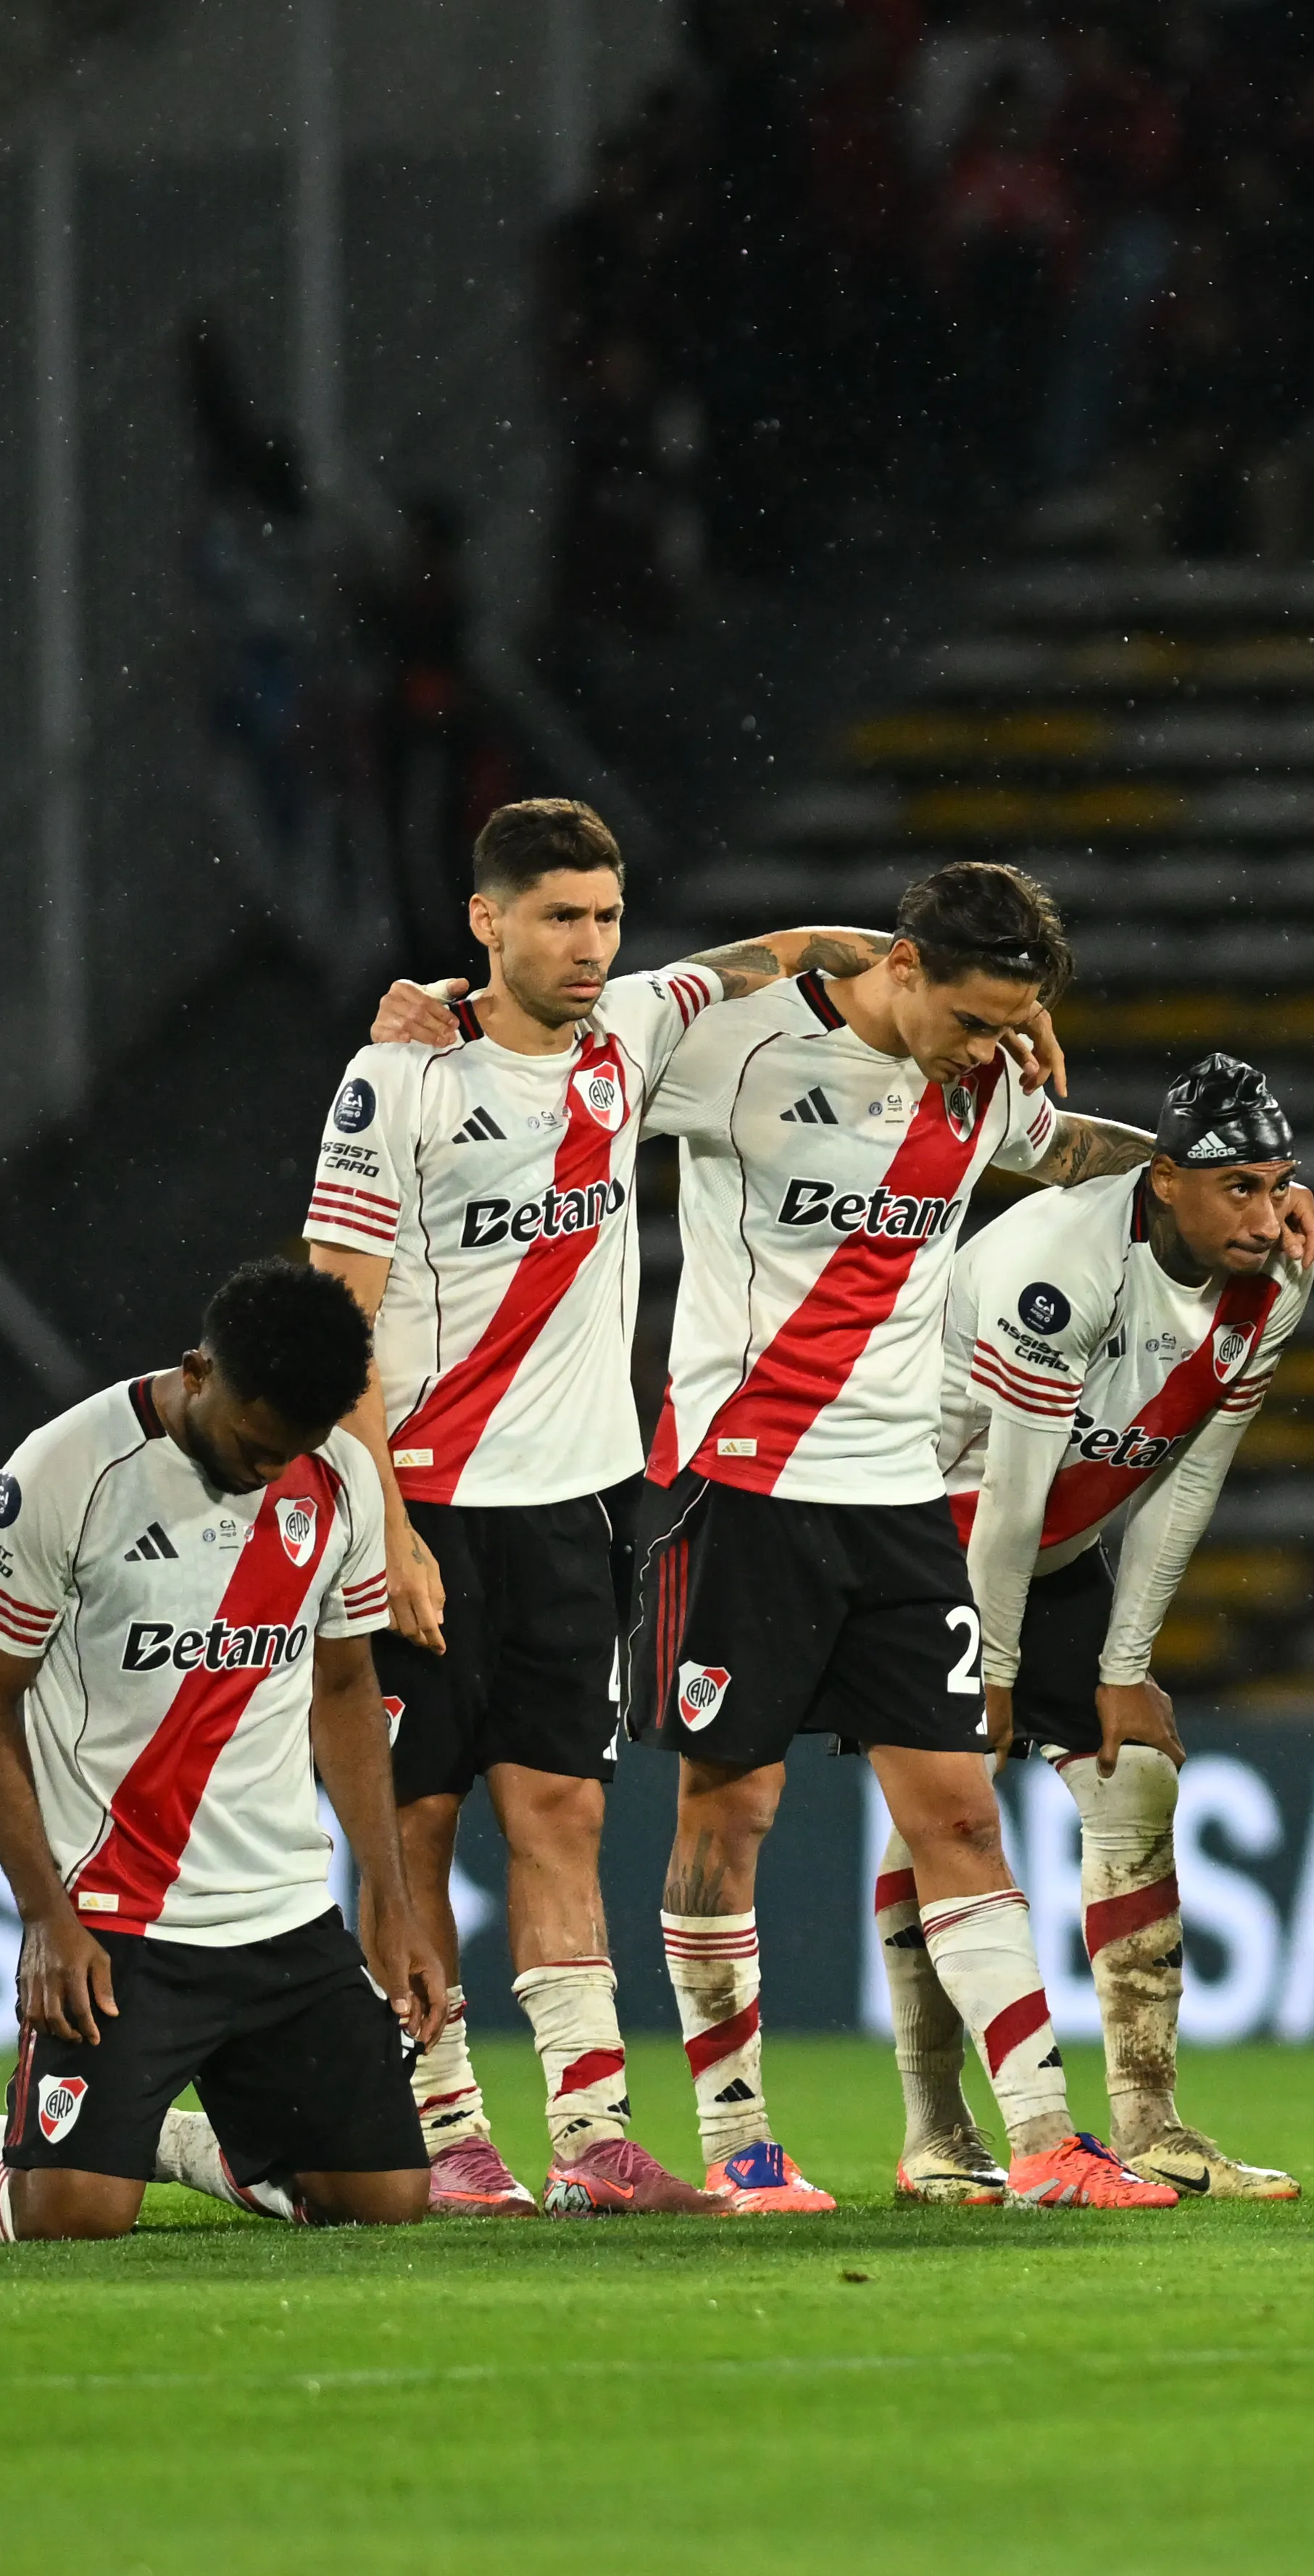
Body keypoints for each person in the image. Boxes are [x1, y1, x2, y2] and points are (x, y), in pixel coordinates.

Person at [386, 861, 1245, 2213]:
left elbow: (1060, 1148)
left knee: (961, 1811)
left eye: (1006, 1027)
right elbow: (556, 1050)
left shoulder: (988, 1075)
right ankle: (740, 2146)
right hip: (737, 1488)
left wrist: (1201, 1184)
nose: (988, 1050)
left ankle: (1042, 2140)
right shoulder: (733, 1048)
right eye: (969, 1018)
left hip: (899, 1496)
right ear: (900, 966)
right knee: (732, 1815)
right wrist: (433, 1010)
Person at [300, 796, 901, 2219]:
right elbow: (335, 1321)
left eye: (605, 916)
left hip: (573, 1505)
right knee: (418, 1830)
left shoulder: (639, 1025)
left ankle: (590, 2133)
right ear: (484, 923)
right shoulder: (397, 1083)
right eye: (558, 917)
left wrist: (987, 1000)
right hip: (423, 1502)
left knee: (561, 1813)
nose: (588, 945)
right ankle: (444, 2124)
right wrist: (381, 1526)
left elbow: (802, 948)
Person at [0, 1260, 450, 2244]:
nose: (270, 1472)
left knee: (385, 2202)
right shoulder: (68, 1471)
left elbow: (346, 1688)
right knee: (71, 2218)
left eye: (293, 1452)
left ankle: (163, 2140)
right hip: (116, 1919)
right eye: (254, 1443)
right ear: (198, 1370)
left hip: (280, 1914)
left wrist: (391, 1901)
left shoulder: (341, 1477)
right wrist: (45, 1915)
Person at [882, 1051, 1314, 2205]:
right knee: (948, 1804)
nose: (1267, 1216)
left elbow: (1186, 1472)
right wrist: (999, 1665)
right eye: (1241, 1189)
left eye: (1281, 1186)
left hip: (1054, 1540)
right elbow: (1009, 1492)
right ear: (1165, 1179)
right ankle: (938, 2130)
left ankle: (1154, 2122)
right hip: (927, 1532)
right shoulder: (1056, 1265)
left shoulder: (1279, 1274)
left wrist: (1127, 1666)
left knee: (1136, 1784)